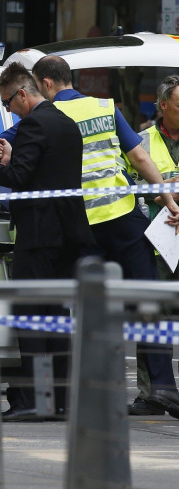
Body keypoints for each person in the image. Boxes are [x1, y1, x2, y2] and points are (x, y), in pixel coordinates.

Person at [30, 56, 179, 419]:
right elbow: (141, 159)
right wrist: (170, 201)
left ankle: (79, 394)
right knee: (146, 299)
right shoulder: (104, 106)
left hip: (78, 225)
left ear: (47, 84)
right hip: (121, 218)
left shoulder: (44, 117)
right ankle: (163, 387)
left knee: (79, 307)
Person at [0, 62, 94, 420]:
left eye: (7, 103)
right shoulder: (65, 122)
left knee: (32, 318)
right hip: (67, 234)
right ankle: (61, 401)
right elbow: (45, 173)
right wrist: (11, 159)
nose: (7, 110)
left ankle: (33, 401)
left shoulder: (34, 124)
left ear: (22, 93)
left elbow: (19, 176)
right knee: (57, 317)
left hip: (39, 234)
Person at [123, 75, 179, 415]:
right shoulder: (140, 142)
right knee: (151, 316)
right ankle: (151, 394)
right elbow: (125, 184)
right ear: (163, 107)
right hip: (156, 243)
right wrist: (159, 191)